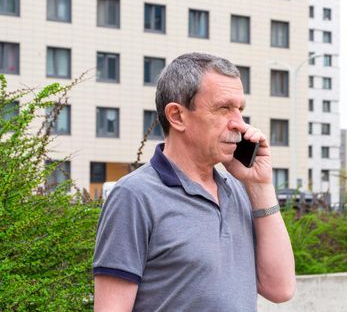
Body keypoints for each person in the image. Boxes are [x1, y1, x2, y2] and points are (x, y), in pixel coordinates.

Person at [93, 53, 296, 311]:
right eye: (224, 109)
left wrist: (260, 186)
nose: (240, 124)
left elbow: (280, 288)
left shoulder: (238, 190)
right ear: (177, 116)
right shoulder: (134, 196)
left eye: (240, 109)